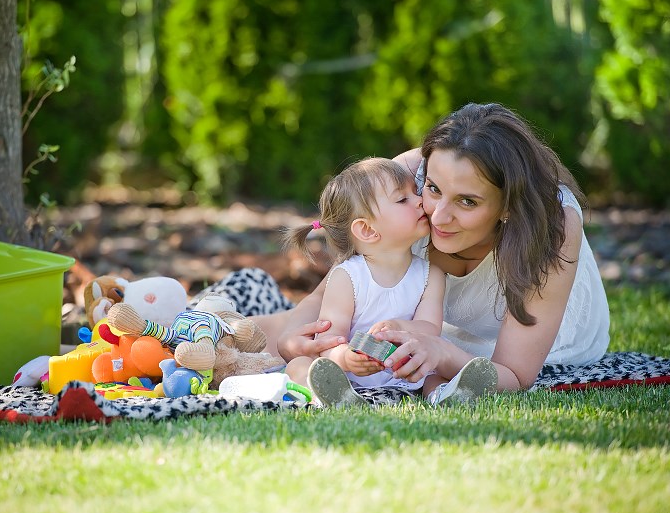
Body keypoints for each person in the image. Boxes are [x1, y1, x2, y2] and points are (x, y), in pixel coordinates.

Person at [249, 102, 609, 403]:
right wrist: (294, 341)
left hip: (539, 349)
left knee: (438, 368)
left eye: (467, 201)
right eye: (434, 188)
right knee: (264, 338)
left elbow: (514, 373)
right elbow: (326, 297)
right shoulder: (402, 184)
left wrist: (441, 350)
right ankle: (203, 322)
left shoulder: (552, 225)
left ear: (508, 206)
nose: (437, 215)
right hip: (426, 334)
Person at [278, 157, 451, 405]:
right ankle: (334, 394)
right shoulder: (347, 277)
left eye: (415, 192)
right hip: (351, 374)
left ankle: (444, 395)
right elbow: (329, 341)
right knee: (300, 365)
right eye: (403, 199)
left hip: (407, 371)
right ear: (368, 230)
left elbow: (430, 328)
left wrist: (399, 327)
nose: (420, 200)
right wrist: (347, 358)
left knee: (436, 372)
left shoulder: (430, 274)